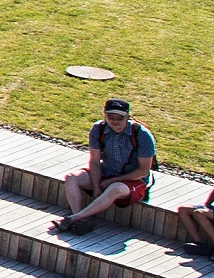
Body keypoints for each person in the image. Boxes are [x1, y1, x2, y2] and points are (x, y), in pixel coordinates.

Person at [55, 97, 158, 234]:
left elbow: (143, 171)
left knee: (114, 188)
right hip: (107, 172)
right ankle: (81, 221)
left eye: (119, 118)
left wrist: (109, 182)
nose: (115, 121)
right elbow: (95, 161)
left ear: (127, 116)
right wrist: (97, 185)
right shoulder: (99, 128)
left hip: (133, 180)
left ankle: (74, 218)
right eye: (111, 117)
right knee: (71, 177)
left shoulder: (142, 134)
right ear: (105, 115)